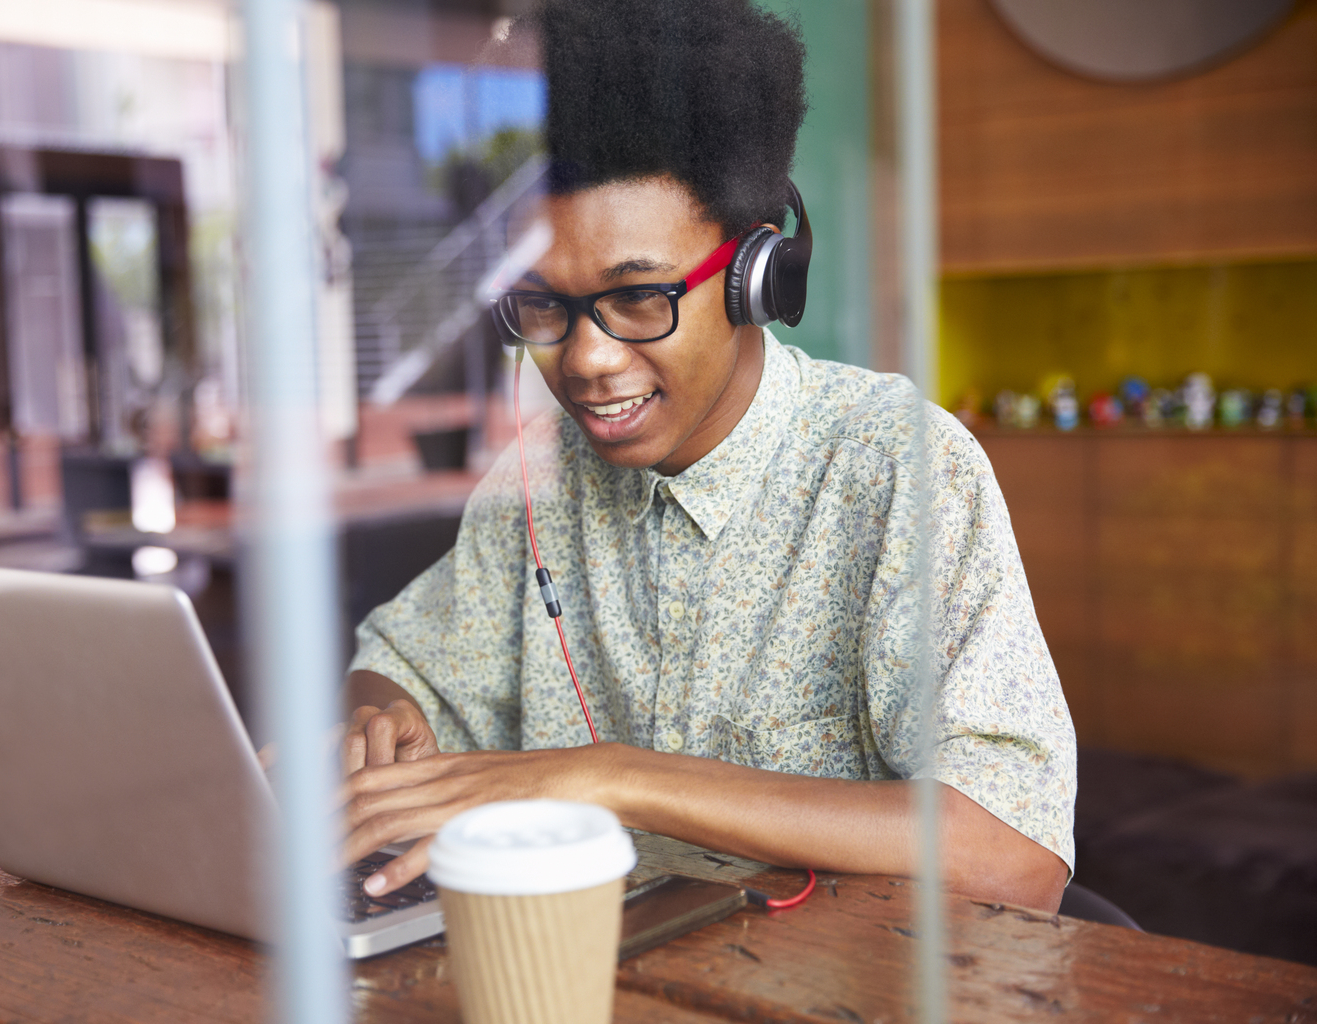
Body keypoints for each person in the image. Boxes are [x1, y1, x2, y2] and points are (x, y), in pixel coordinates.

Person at [342, 0, 1074, 911]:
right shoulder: (538, 476)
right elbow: (399, 667)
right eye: (543, 307)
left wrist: (613, 777)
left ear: (756, 276)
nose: (588, 359)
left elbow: (1014, 854)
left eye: (641, 296)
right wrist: (377, 726)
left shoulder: (896, 467)